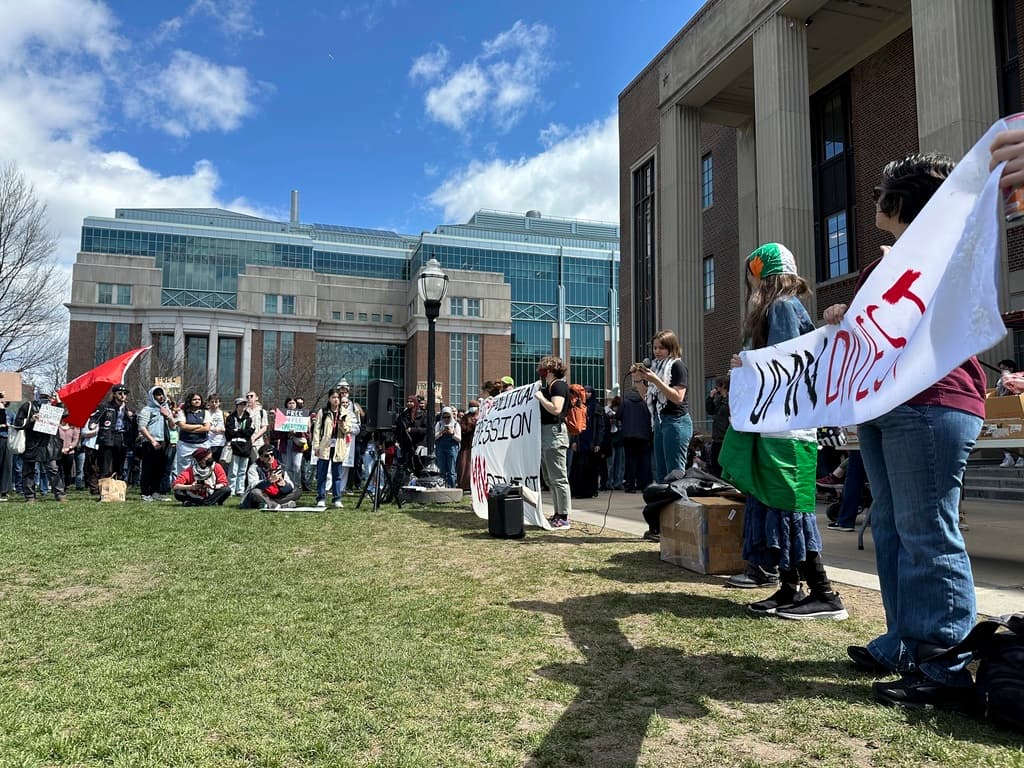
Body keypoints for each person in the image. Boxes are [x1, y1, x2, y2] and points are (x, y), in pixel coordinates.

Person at [824, 153, 982, 710]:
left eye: (880, 193)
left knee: (926, 530)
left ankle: (944, 662)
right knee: (891, 525)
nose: (873, 202)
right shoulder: (904, 258)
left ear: (900, 203)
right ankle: (904, 642)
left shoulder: (939, 253)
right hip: (893, 406)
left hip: (929, 403)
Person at [722, 243, 848, 621]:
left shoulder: (780, 308)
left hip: (786, 429)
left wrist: (750, 366)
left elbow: (786, 366)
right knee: (779, 502)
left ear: (762, 276)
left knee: (787, 505)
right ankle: (791, 588)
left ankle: (823, 593)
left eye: (752, 278)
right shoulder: (787, 308)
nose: (749, 287)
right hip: (783, 425)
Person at [632, 330, 691, 483]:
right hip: (660, 420)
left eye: (661, 348)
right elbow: (649, 398)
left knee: (674, 474)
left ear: (671, 348)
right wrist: (638, 380)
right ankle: (664, 506)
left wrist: (656, 380)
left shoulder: (677, 366)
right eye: (655, 348)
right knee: (661, 474)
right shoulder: (656, 368)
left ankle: (677, 506)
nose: (657, 351)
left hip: (676, 421)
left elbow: (678, 397)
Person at [533, 355, 572, 528]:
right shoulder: (550, 386)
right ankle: (558, 512)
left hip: (555, 433)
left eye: (543, 368)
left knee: (558, 477)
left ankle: (563, 515)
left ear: (549, 370)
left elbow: (556, 409)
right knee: (550, 478)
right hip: (547, 433)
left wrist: (541, 398)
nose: (540, 371)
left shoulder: (558, 385)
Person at [15, 393, 66, 502]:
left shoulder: (53, 407)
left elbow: (65, 414)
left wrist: (59, 402)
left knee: (53, 469)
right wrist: (31, 419)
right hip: (32, 443)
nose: (45, 399)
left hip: (48, 443)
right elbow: (18, 423)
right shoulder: (27, 406)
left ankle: (60, 494)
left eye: (47, 397)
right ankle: (30, 496)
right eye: (42, 397)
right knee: (28, 470)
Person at [313, 388, 351, 508]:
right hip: (325, 445)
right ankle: (321, 497)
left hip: (338, 446)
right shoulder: (323, 412)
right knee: (322, 473)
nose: (336, 400)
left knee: (337, 474)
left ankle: (337, 498)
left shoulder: (345, 412)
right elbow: (317, 430)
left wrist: (342, 424)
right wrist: (316, 446)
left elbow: (347, 429)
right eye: (333, 397)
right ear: (329, 399)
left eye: (337, 398)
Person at [137, 386, 173, 502]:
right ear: (152, 396)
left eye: (162, 394)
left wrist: (167, 416)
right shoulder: (147, 410)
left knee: (161, 468)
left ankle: (156, 492)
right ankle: (145, 492)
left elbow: (173, 426)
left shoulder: (166, 408)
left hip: (165, 441)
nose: (160, 396)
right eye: (157, 394)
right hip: (150, 442)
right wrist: (152, 440)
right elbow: (142, 428)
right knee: (148, 468)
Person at [569, 385, 605, 499]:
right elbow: (574, 424)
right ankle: (578, 491)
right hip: (580, 441)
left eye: (589, 392)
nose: (587, 394)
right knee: (578, 467)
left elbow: (601, 427)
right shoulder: (578, 406)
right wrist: (574, 441)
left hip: (591, 442)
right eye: (586, 391)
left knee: (591, 468)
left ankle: (590, 491)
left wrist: (598, 443)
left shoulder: (597, 408)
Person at [93, 384, 134, 480]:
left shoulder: (128, 409)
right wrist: (93, 424)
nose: (123, 395)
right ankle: (104, 488)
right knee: (105, 465)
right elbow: (96, 416)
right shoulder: (106, 406)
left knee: (119, 465)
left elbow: (133, 425)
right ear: (114, 394)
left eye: (125, 393)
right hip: (108, 436)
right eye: (120, 393)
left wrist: (131, 417)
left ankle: (116, 488)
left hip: (122, 437)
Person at [242, 445, 301, 509]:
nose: (270, 457)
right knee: (255, 492)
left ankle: (272, 504)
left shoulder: (280, 466)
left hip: (276, 496)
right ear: (261, 457)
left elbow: (291, 485)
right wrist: (269, 481)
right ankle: (278, 505)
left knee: (297, 491)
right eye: (266, 456)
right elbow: (253, 485)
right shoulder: (254, 467)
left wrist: (284, 484)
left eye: (272, 454)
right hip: (262, 495)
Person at [619, 385, 652, 492]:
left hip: (629, 436)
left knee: (630, 461)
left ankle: (630, 485)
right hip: (643, 436)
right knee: (643, 461)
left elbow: (618, 415)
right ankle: (643, 484)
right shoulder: (645, 402)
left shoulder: (625, 402)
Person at [994, 359, 1024, 468]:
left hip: (1017, 410)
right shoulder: (1000, 381)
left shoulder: (1019, 378)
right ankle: (1008, 457)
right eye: (1001, 368)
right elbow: (997, 394)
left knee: (1019, 432)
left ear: (1011, 369)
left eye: (1004, 368)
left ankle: (1021, 457)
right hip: (1002, 410)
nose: (1002, 370)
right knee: (1000, 433)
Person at [274, 396, 308, 489]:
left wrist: (296, 433)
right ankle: (290, 485)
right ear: (286, 405)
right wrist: (287, 433)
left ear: (296, 405)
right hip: (286, 444)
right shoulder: (282, 415)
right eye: (289, 403)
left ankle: (297, 484)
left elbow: (306, 433)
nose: (291, 405)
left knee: (297, 466)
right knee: (287, 466)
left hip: (297, 445)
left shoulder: (302, 416)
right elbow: (276, 433)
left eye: (293, 403)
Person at [174, 392, 210, 475]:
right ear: (190, 401)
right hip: (185, 445)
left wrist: (189, 428)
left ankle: (200, 486)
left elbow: (206, 428)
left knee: (202, 468)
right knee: (184, 469)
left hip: (202, 444)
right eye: (194, 399)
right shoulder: (182, 412)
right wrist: (199, 426)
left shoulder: (205, 412)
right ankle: (184, 487)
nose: (197, 401)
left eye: (199, 399)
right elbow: (183, 426)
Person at [225, 397, 253, 496]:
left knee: (242, 470)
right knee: (233, 470)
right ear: (237, 406)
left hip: (245, 446)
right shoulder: (231, 418)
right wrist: (240, 432)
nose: (243, 406)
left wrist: (239, 431)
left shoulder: (248, 418)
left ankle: (240, 489)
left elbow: (249, 432)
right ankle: (231, 489)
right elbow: (229, 432)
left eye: (244, 404)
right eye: (241, 404)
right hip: (234, 446)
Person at [705, 375, 730, 478]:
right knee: (715, 464)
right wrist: (710, 398)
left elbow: (727, 411)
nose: (716, 388)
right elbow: (710, 410)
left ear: (724, 386)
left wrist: (724, 396)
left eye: (718, 386)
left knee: (724, 466)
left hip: (725, 438)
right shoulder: (719, 399)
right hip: (716, 438)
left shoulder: (730, 399)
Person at [433, 406, 461, 488]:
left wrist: (452, 433)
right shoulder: (439, 424)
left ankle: (452, 487)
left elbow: (459, 439)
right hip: (441, 448)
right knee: (442, 470)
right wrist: (441, 432)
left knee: (451, 470)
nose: (446, 419)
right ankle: (442, 487)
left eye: (448, 417)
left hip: (452, 448)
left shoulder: (456, 424)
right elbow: (434, 437)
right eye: (444, 417)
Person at [456, 400, 479, 491]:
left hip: (477, 444)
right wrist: (471, 425)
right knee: (464, 464)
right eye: (470, 406)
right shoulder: (466, 417)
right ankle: (464, 484)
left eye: (474, 406)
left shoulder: (481, 416)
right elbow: (463, 429)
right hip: (466, 445)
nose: (472, 408)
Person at [57, 413, 80, 491]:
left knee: (67, 470)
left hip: (69, 452)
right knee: (58, 469)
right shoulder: (57, 426)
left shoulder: (74, 427)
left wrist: (69, 448)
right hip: (58, 451)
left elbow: (75, 440)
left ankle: (66, 486)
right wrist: (60, 449)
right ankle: (59, 486)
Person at [246, 391, 269, 460]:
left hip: (257, 442)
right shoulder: (244, 411)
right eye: (247, 397)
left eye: (251, 396)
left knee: (257, 463)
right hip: (245, 442)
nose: (249, 398)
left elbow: (264, 427)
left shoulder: (262, 411)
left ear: (256, 398)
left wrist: (254, 438)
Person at [206, 393, 227, 462]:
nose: (214, 404)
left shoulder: (224, 414)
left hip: (220, 443)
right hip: (207, 443)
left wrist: (222, 430)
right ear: (209, 402)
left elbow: (229, 429)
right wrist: (211, 429)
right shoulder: (205, 413)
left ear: (219, 403)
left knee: (218, 464)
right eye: (212, 402)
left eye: (216, 402)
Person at [0, 393, 12, 501]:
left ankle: (4, 490)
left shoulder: (11, 414)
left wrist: (10, 426)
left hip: (6, 439)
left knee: (6, 465)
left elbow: (16, 425)